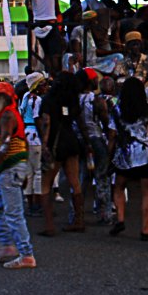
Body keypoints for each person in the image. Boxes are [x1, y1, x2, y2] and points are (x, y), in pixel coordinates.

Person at [0, 82, 35, 269]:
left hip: (10, 168)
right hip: (11, 168)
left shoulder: (7, 115)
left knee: (13, 214)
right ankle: (7, 245)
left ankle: (26, 254)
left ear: (3, 98)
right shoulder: (9, 114)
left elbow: (4, 147)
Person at [106, 77, 148, 240]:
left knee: (119, 187)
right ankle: (145, 230)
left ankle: (120, 218)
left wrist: (109, 156)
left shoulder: (118, 110)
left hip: (124, 154)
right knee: (147, 192)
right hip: (146, 154)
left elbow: (112, 135)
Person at [39, 72, 84, 235]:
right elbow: (78, 120)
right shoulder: (72, 100)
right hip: (71, 140)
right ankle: (79, 220)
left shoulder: (49, 100)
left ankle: (49, 225)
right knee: (75, 182)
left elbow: (46, 123)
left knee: (46, 183)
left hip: (55, 143)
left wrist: (44, 145)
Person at [77, 69, 112, 226]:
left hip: (80, 141)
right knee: (101, 176)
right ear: (91, 82)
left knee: (81, 177)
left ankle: (77, 213)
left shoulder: (74, 99)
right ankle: (103, 213)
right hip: (96, 139)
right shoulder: (96, 100)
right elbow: (105, 122)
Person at [19, 72, 48, 216]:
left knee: (29, 172)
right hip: (35, 136)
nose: (46, 87)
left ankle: (30, 204)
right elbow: (38, 119)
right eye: (43, 84)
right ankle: (37, 204)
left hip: (26, 133)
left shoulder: (25, 97)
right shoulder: (37, 100)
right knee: (37, 172)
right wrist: (44, 141)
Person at [23, 0, 64, 73]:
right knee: (55, 55)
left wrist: (31, 23)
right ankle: (56, 75)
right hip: (52, 24)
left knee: (46, 55)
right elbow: (57, 10)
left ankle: (50, 75)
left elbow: (28, 8)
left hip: (39, 26)